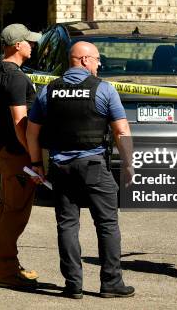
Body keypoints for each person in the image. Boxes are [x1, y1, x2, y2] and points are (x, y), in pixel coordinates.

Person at [26, 41, 135, 299]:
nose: (99, 64)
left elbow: (32, 131)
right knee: (107, 223)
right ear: (85, 60)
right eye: (97, 59)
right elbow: (121, 130)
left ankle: (73, 284)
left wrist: (37, 164)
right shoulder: (103, 89)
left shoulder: (48, 91)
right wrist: (130, 163)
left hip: (61, 167)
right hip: (94, 165)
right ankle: (111, 282)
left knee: (67, 224)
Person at [0, 23, 41, 289]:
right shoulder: (16, 78)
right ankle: (6, 273)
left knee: (9, 210)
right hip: (17, 152)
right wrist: (34, 158)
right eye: (29, 41)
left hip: (4, 147)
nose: (32, 45)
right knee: (14, 214)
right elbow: (20, 121)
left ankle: (8, 266)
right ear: (18, 46)